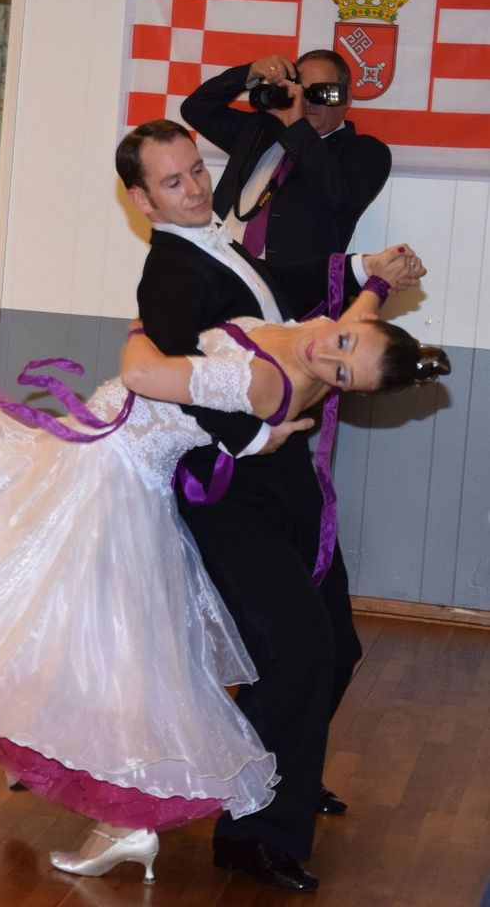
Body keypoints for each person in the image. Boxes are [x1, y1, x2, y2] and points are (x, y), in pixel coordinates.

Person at [0, 250, 445, 888]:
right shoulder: (311, 334)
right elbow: (349, 333)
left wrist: (142, 327)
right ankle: (51, 758)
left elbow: (142, 371)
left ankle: (123, 817)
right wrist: (376, 282)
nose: (330, 355)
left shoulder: (276, 381)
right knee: (42, 617)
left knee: (97, 644)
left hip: (115, 479)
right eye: (344, 341)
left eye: (343, 372)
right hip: (85, 453)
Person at [120, 119, 425, 892]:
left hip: (283, 477)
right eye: (173, 182)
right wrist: (253, 437)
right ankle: (252, 832)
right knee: (299, 647)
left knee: (336, 645)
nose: (195, 189)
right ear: (142, 200)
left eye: (196, 170)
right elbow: (171, 376)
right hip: (228, 489)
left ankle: (282, 772)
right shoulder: (169, 274)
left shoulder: (217, 244)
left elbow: (276, 290)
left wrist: (364, 269)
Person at [180, 49, 392, 263]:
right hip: (217, 263)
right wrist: (250, 73)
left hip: (286, 281)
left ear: (347, 98)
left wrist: (298, 129)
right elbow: (195, 109)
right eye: (301, 91)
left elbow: (340, 194)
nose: (308, 101)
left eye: (321, 92)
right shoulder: (260, 130)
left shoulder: (366, 151)